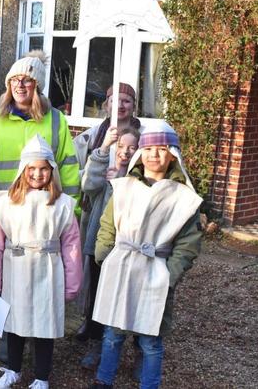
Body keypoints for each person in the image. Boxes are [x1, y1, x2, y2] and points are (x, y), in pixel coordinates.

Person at [0, 50, 80, 362]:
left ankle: (39, 356)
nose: (20, 84)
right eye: (15, 79)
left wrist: (74, 211)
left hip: (45, 218)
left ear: (38, 87)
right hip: (5, 217)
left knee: (42, 292)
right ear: (7, 85)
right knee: (7, 290)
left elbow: (68, 166)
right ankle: (10, 359)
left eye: (28, 80)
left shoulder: (55, 121)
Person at [88, 121, 203, 389]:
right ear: (141, 153)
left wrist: (169, 274)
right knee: (113, 332)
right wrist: (104, 257)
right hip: (123, 265)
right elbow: (108, 224)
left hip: (157, 270)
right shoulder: (125, 187)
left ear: (172, 153)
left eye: (161, 149)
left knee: (150, 338)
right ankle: (104, 380)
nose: (154, 154)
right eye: (149, 148)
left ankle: (149, 385)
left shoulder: (183, 196)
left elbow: (188, 243)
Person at [0, 135, 82, 389]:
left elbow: (71, 245)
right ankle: (12, 369)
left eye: (44, 169)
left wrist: (72, 283)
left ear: (52, 170)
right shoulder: (7, 203)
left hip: (48, 271)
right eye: (32, 169)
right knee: (15, 324)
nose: (38, 174)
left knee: (44, 324)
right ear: (23, 170)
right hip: (15, 269)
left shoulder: (62, 205)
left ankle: (41, 377)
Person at [72, 83, 143, 342]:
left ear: (134, 106)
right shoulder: (93, 135)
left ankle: (123, 331)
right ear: (106, 105)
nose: (121, 105)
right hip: (96, 216)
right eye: (115, 100)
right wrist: (102, 158)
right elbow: (81, 176)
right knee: (94, 271)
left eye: (127, 100)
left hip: (130, 222)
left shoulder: (143, 136)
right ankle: (89, 323)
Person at [77, 127, 140, 370]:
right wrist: (103, 149)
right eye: (121, 146)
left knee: (127, 298)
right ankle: (96, 342)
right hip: (100, 247)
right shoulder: (106, 175)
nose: (125, 152)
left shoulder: (139, 179)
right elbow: (88, 185)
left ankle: (136, 348)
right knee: (97, 296)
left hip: (128, 248)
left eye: (131, 147)